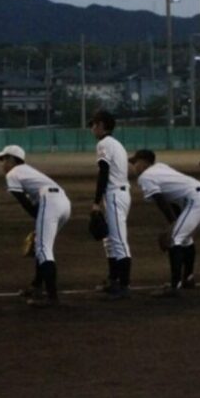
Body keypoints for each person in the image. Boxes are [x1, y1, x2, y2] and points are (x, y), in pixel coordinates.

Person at [130, 150, 200, 298]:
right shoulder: (160, 167)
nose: (133, 166)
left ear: (144, 162)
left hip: (196, 201)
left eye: (135, 162)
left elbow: (160, 201)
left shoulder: (146, 176)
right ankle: (188, 278)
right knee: (185, 238)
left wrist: (172, 225)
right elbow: (171, 200)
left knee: (174, 239)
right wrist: (175, 222)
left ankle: (175, 286)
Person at [0, 145, 71, 307]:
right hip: (64, 203)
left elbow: (24, 202)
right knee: (41, 246)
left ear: (12, 159)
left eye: (4, 159)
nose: (2, 163)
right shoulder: (28, 170)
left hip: (50, 202)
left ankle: (52, 298)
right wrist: (40, 226)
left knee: (43, 249)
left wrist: (40, 223)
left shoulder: (13, 173)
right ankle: (37, 286)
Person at [89, 110, 132, 300]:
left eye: (93, 124)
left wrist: (96, 202)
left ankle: (124, 285)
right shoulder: (116, 144)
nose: (91, 128)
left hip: (115, 195)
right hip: (117, 194)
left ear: (100, 125)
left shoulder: (104, 143)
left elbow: (103, 172)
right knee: (110, 241)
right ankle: (113, 280)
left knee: (118, 241)